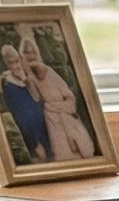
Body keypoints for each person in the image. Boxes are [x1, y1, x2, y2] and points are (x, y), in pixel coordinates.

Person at [20, 26, 98, 159]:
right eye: (26, 53)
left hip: (66, 114)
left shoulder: (49, 71)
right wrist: (28, 74)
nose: (30, 56)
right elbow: (35, 97)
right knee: (64, 154)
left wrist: (59, 108)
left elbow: (69, 97)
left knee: (86, 151)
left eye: (32, 52)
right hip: (52, 120)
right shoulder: (28, 77)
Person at [0, 44, 52, 161]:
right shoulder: (7, 82)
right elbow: (17, 114)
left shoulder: (28, 74)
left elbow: (37, 98)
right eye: (11, 63)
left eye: (17, 61)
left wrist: (26, 80)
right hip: (27, 127)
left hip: (41, 121)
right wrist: (34, 142)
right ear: (6, 64)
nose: (16, 66)